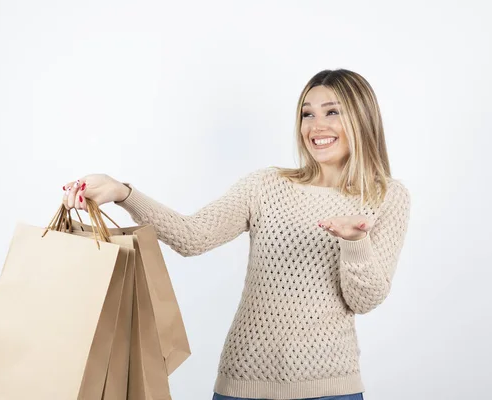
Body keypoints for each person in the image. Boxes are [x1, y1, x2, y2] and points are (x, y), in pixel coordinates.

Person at [61, 69, 411, 400]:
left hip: (331, 388)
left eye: (332, 112)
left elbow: (364, 300)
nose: (316, 126)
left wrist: (354, 243)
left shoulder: (385, 196)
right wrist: (123, 192)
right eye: (307, 114)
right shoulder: (266, 185)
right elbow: (192, 236)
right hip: (243, 383)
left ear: (362, 118)